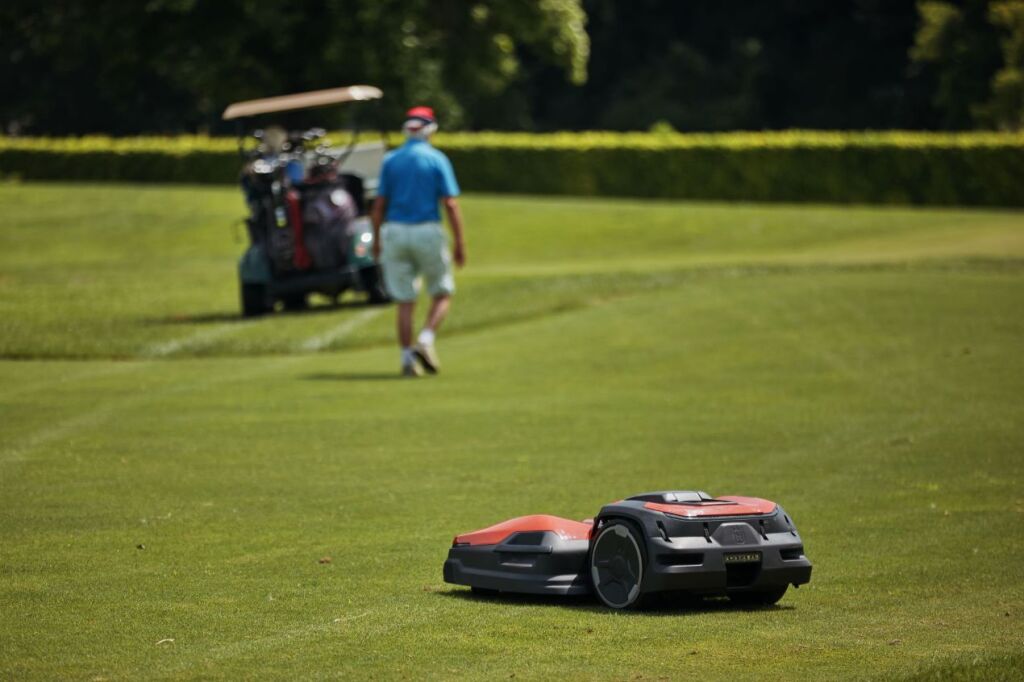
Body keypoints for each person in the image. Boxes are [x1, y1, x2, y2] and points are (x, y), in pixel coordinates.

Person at [371, 106, 466, 377]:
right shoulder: (436, 159)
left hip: (395, 232)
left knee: (405, 301)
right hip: (427, 231)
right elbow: (450, 203)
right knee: (442, 292)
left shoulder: (390, 160)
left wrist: (376, 240)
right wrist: (460, 242)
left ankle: (406, 359)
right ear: (431, 130)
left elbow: (378, 206)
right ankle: (425, 341)